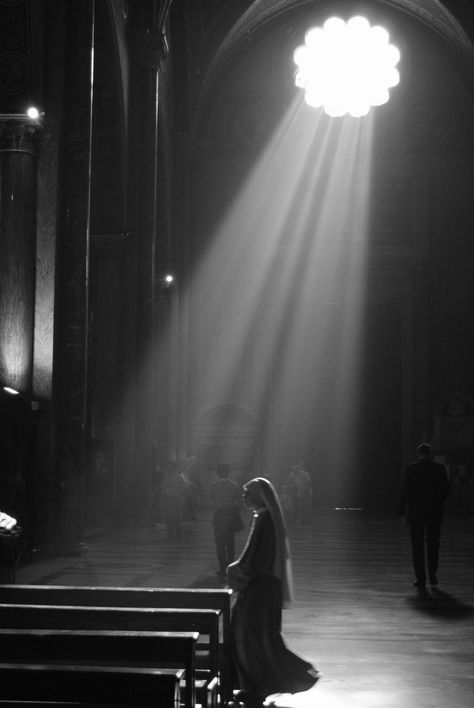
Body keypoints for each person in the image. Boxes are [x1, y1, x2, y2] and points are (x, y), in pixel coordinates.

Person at [226, 477, 319, 707]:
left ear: (259, 495)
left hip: (260, 588)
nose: (244, 497)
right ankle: (257, 686)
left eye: (248, 493)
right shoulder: (263, 517)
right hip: (263, 586)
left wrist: (236, 570)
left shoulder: (264, 518)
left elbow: (255, 557)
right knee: (258, 637)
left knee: (254, 636)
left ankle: (276, 680)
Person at [398, 443, 450, 588]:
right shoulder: (440, 469)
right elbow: (445, 490)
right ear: (430, 453)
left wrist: (401, 512)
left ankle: (420, 579)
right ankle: (433, 576)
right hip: (434, 512)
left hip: (416, 513)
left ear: (418, 453)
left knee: (417, 545)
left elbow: (405, 492)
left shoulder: (411, 469)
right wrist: (437, 504)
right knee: (433, 544)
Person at [209, 463, 243, 578]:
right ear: (229, 472)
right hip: (230, 517)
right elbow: (238, 501)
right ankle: (230, 568)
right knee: (230, 543)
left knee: (219, 544)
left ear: (218, 473)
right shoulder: (235, 486)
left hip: (218, 517)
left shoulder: (214, 487)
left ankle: (222, 568)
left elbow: (212, 499)